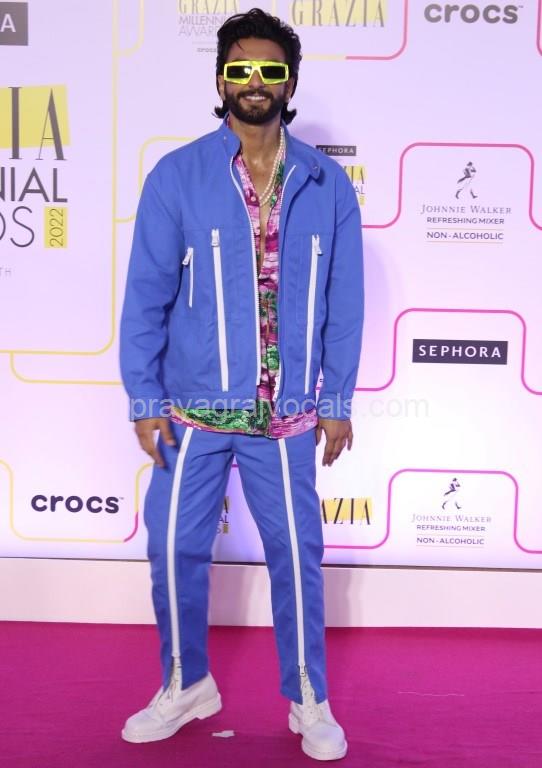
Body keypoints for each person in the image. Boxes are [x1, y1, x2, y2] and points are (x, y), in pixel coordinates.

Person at [118, 8, 363, 761]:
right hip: (191, 412)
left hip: (286, 418)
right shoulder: (178, 175)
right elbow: (147, 294)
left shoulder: (325, 182)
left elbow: (344, 302)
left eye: (270, 69)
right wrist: (143, 397)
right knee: (172, 550)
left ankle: (309, 699)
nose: (254, 82)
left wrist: (335, 400)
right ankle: (185, 683)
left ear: (290, 82)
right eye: (239, 68)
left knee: (297, 559)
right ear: (221, 78)